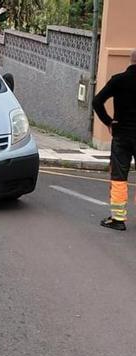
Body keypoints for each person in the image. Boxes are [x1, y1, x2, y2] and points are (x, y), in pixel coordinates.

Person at [94, 49, 136, 230]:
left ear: (131, 60)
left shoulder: (118, 80)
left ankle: (118, 219)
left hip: (122, 135)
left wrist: (109, 122)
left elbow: (97, 101)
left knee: (119, 177)